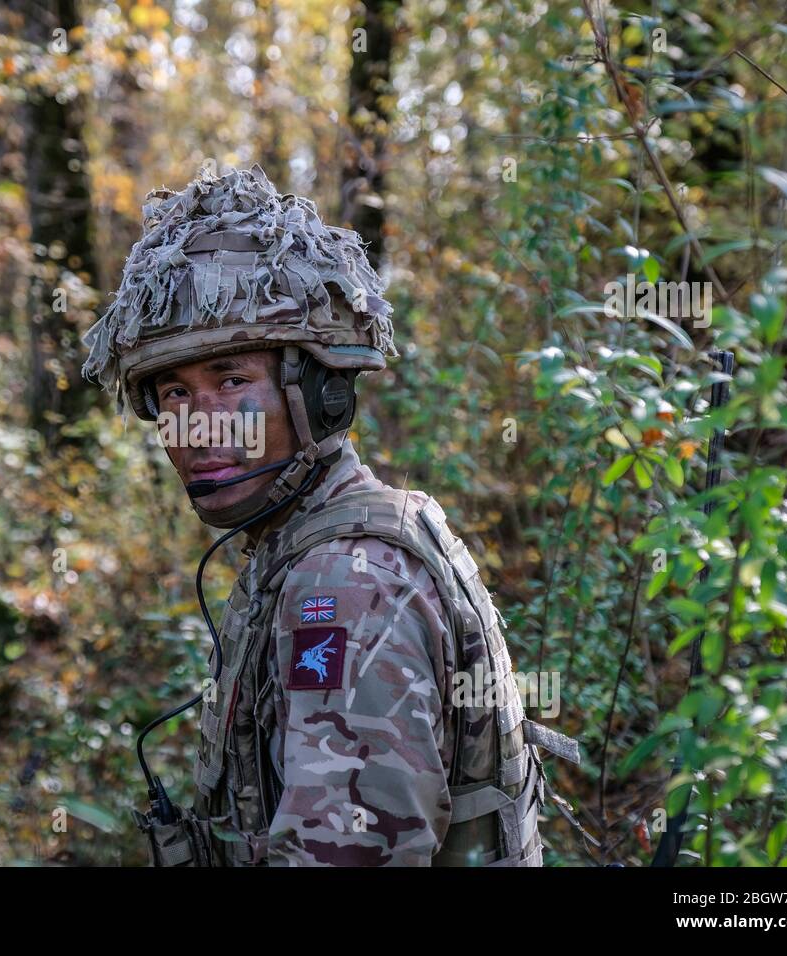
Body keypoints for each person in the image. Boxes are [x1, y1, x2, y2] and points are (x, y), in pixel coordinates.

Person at [82, 163, 580, 866]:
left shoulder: (345, 584)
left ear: (321, 394)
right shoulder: (307, 544)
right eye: (174, 394)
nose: (197, 427)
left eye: (231, 381)